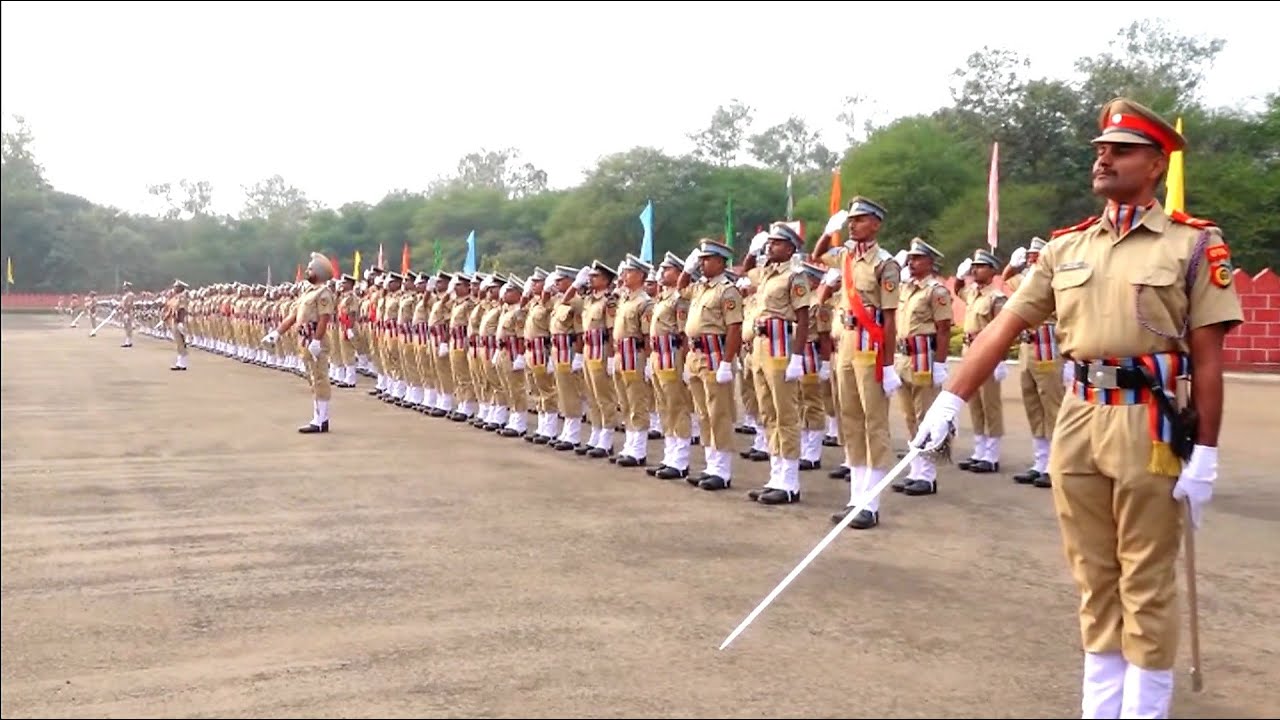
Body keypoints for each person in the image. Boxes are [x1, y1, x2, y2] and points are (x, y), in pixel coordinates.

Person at [912, 97, 1243, 719]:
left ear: (1155, 163)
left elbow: (1209, 357)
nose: (1103, 158)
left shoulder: (1193, 244)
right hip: (1079, 414)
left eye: (1120, 150)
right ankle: (1101, 708)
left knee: (1144, 580)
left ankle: (1143, 711)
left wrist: (1208, 455)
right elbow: (1003, 325)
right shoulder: (1067, 248)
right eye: (1099, 150)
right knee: (1093, 577)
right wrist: (949, 399)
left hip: (1150, 422)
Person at [812, 197, 902, 529]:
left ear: (876, 224)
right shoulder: (846, 255)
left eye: (860, 220)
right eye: (851, 220)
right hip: (846, 345)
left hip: (871, 345)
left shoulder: (886, 264)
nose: (853, 225)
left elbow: (891, 318)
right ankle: (855, 498)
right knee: (850, 418)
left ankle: (872, 502)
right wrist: (827, 232)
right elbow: (818, 255)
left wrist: (889, 363)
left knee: (873, 421)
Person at [1003, 237, 1065, 488]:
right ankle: (1040, 462)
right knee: (1033, 405)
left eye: (1034, 256)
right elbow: (1007, 280)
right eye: (1028, 257)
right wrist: (1012, 266)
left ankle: (1056, 465)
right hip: (1029, 346)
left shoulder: (1055, 281)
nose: (1030, 260)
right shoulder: (1028, 281)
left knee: (1052, 405)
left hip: (1048, 345)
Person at [264, 252, 338, 433]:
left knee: (319, 379)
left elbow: (324, 318)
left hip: (314, 338)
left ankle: (320, 421)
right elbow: (294, 315)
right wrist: (277, 333)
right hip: (305, 338)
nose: (307, 271)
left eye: (310, 268)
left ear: (318, 272)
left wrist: (317, 341)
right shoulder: (307, 292)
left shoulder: (323, 293)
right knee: (312, 379)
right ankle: (320, 417)